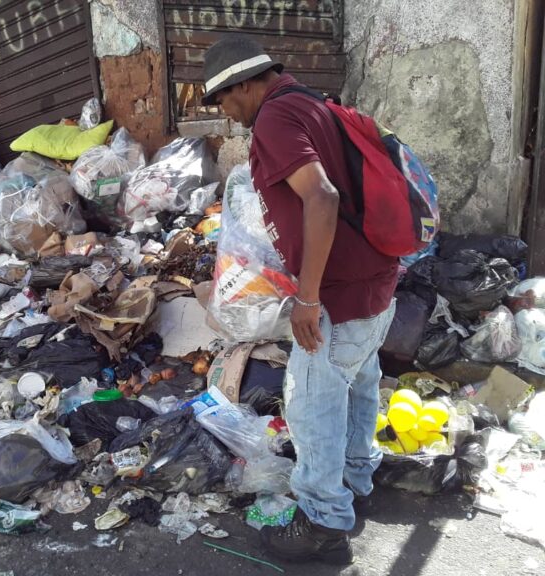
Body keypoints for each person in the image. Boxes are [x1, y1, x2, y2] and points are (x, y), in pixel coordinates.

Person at [202, 36, 399, 564]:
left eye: (223, 99)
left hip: (337, 294)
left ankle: (323, 525)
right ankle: (357, 479)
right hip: (375, 285)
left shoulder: (275, 119)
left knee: (311, 404)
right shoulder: (316, 105)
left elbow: (322, 196)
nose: (225, 112)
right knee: (357, 384)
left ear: (245, 83)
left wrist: (307, 298)